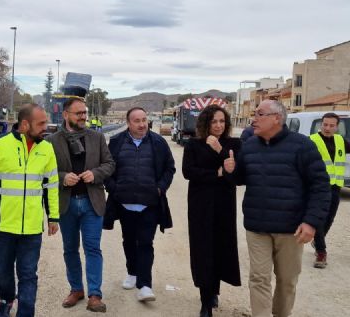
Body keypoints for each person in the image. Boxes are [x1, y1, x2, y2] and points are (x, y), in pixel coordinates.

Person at [231, 100, 330, 317]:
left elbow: (321, 186)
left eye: (259, 114)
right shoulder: (248, 145)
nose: (253, 119)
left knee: (287, 280)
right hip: (257, 226)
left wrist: (311, 221)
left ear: (277, 118)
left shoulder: (302, 145)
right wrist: (232, 170)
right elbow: (240, 179)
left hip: (291, 228)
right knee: (258, 278)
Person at [0, 103, 60, 317]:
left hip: (32, 227)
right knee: (4, 270)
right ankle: (5, 301)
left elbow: (51, 185)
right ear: (24, 124)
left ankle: (26, 312)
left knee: (28, 273)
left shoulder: (47, 148)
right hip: (4, 224)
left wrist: (53, 217)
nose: (45, 127)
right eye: (40, 123)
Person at [47, 98, 115, 312]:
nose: (84, 117)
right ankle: (76, 289)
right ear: (66, 115)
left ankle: (95, 294)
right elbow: (43, 173)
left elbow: (110, 164)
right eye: (79, 113)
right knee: (70, 249)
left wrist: (95, 174)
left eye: (84, 113)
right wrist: (62, 177)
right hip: (66, 204)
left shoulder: (97, 137)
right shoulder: (52, 141)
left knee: (92, 248)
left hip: (91, 203)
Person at [103, 107, 175, 302]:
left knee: (145, 243)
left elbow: (170, 168)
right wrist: (114, 189)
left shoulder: (158, 142)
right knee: (128, 240)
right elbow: (107, 168)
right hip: (124, 205)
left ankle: (145, 285)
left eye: (144, 119)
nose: (142, 124)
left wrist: (160, 188)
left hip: (149, 204)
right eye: (137, 120)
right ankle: (132, 273)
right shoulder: (117, 142)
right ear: (128, 123)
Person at [182, 105, 241, 317]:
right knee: (203, 249)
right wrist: (215, 174)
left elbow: (235, 172)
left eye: (222, 121)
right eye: (214, 121)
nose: (218, 126)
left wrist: (219, 150)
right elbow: (188, 172)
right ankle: (205, 299)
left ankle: (214, 290)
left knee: (221, 248)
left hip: (224, 205)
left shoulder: (233, 144)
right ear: (205, 123)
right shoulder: (194, 144)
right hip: (200, 205)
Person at [309, 112, 349, 268]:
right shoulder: (312, 141)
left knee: (329, 218)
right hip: (317, 187)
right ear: (321, 124)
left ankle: (318, 241)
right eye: (325, 124)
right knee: (319, 218)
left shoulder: (340, 140)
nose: (327, 128)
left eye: (331, 125)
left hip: (335, 187)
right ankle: (321, 253)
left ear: (337, 127)